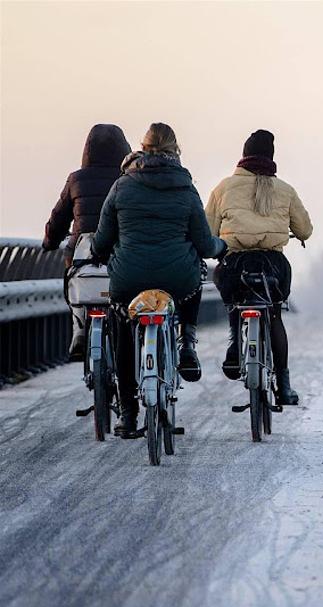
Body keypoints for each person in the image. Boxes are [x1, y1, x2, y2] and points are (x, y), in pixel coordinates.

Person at [92, 122, 226, 436]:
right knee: (195, 278)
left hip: (130, 278)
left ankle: (127, 413)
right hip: (177, 277)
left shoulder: (122, 186)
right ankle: (187, 342)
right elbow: (204, 244)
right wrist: (222, 247)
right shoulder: (185, 186)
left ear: (143, 146)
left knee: (123, 331)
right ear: (175, 149)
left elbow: (102, 239)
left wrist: (101, 252)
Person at [205, 129, 313, 405]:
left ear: (243, 156)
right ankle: (284, 385)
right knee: (274, 314)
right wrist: (296, 234)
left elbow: (208, 230)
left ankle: (235, 345)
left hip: (234, 264)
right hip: (272, 266)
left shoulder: (224, 188)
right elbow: (305, 229)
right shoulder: (285, 190)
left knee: (234, 302)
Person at [42, 124, 131, 360]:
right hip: (118, 251)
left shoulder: (76, 179)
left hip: (82, 251)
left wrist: (49, 241)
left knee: (75, 283)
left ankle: (79, 330)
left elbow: (58, 219)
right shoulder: (127, 179)